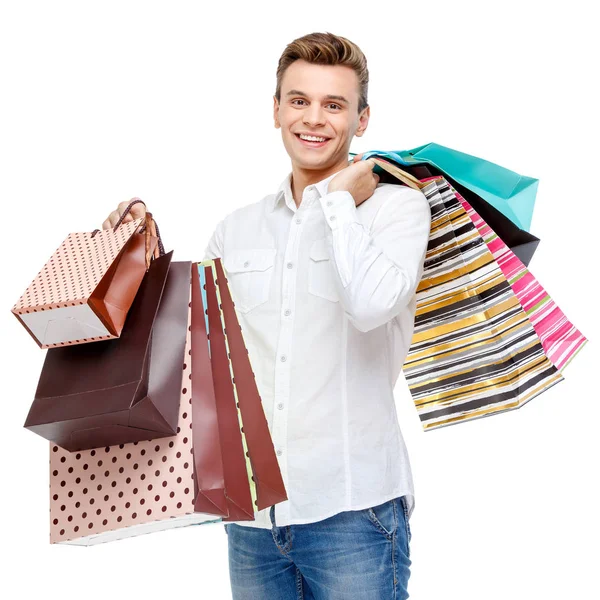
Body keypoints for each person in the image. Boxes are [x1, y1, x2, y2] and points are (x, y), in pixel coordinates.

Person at [103, 31, 431, 600]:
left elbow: (371, 304)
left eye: (335, 105)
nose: (315, 119)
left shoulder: (397, 209)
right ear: (276, 110)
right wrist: (137, 257)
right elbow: (189, 351)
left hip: (353, 513)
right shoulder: (239, 228)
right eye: (299, 100)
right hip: (252, 518)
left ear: (363, 118)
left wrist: (337, 204)